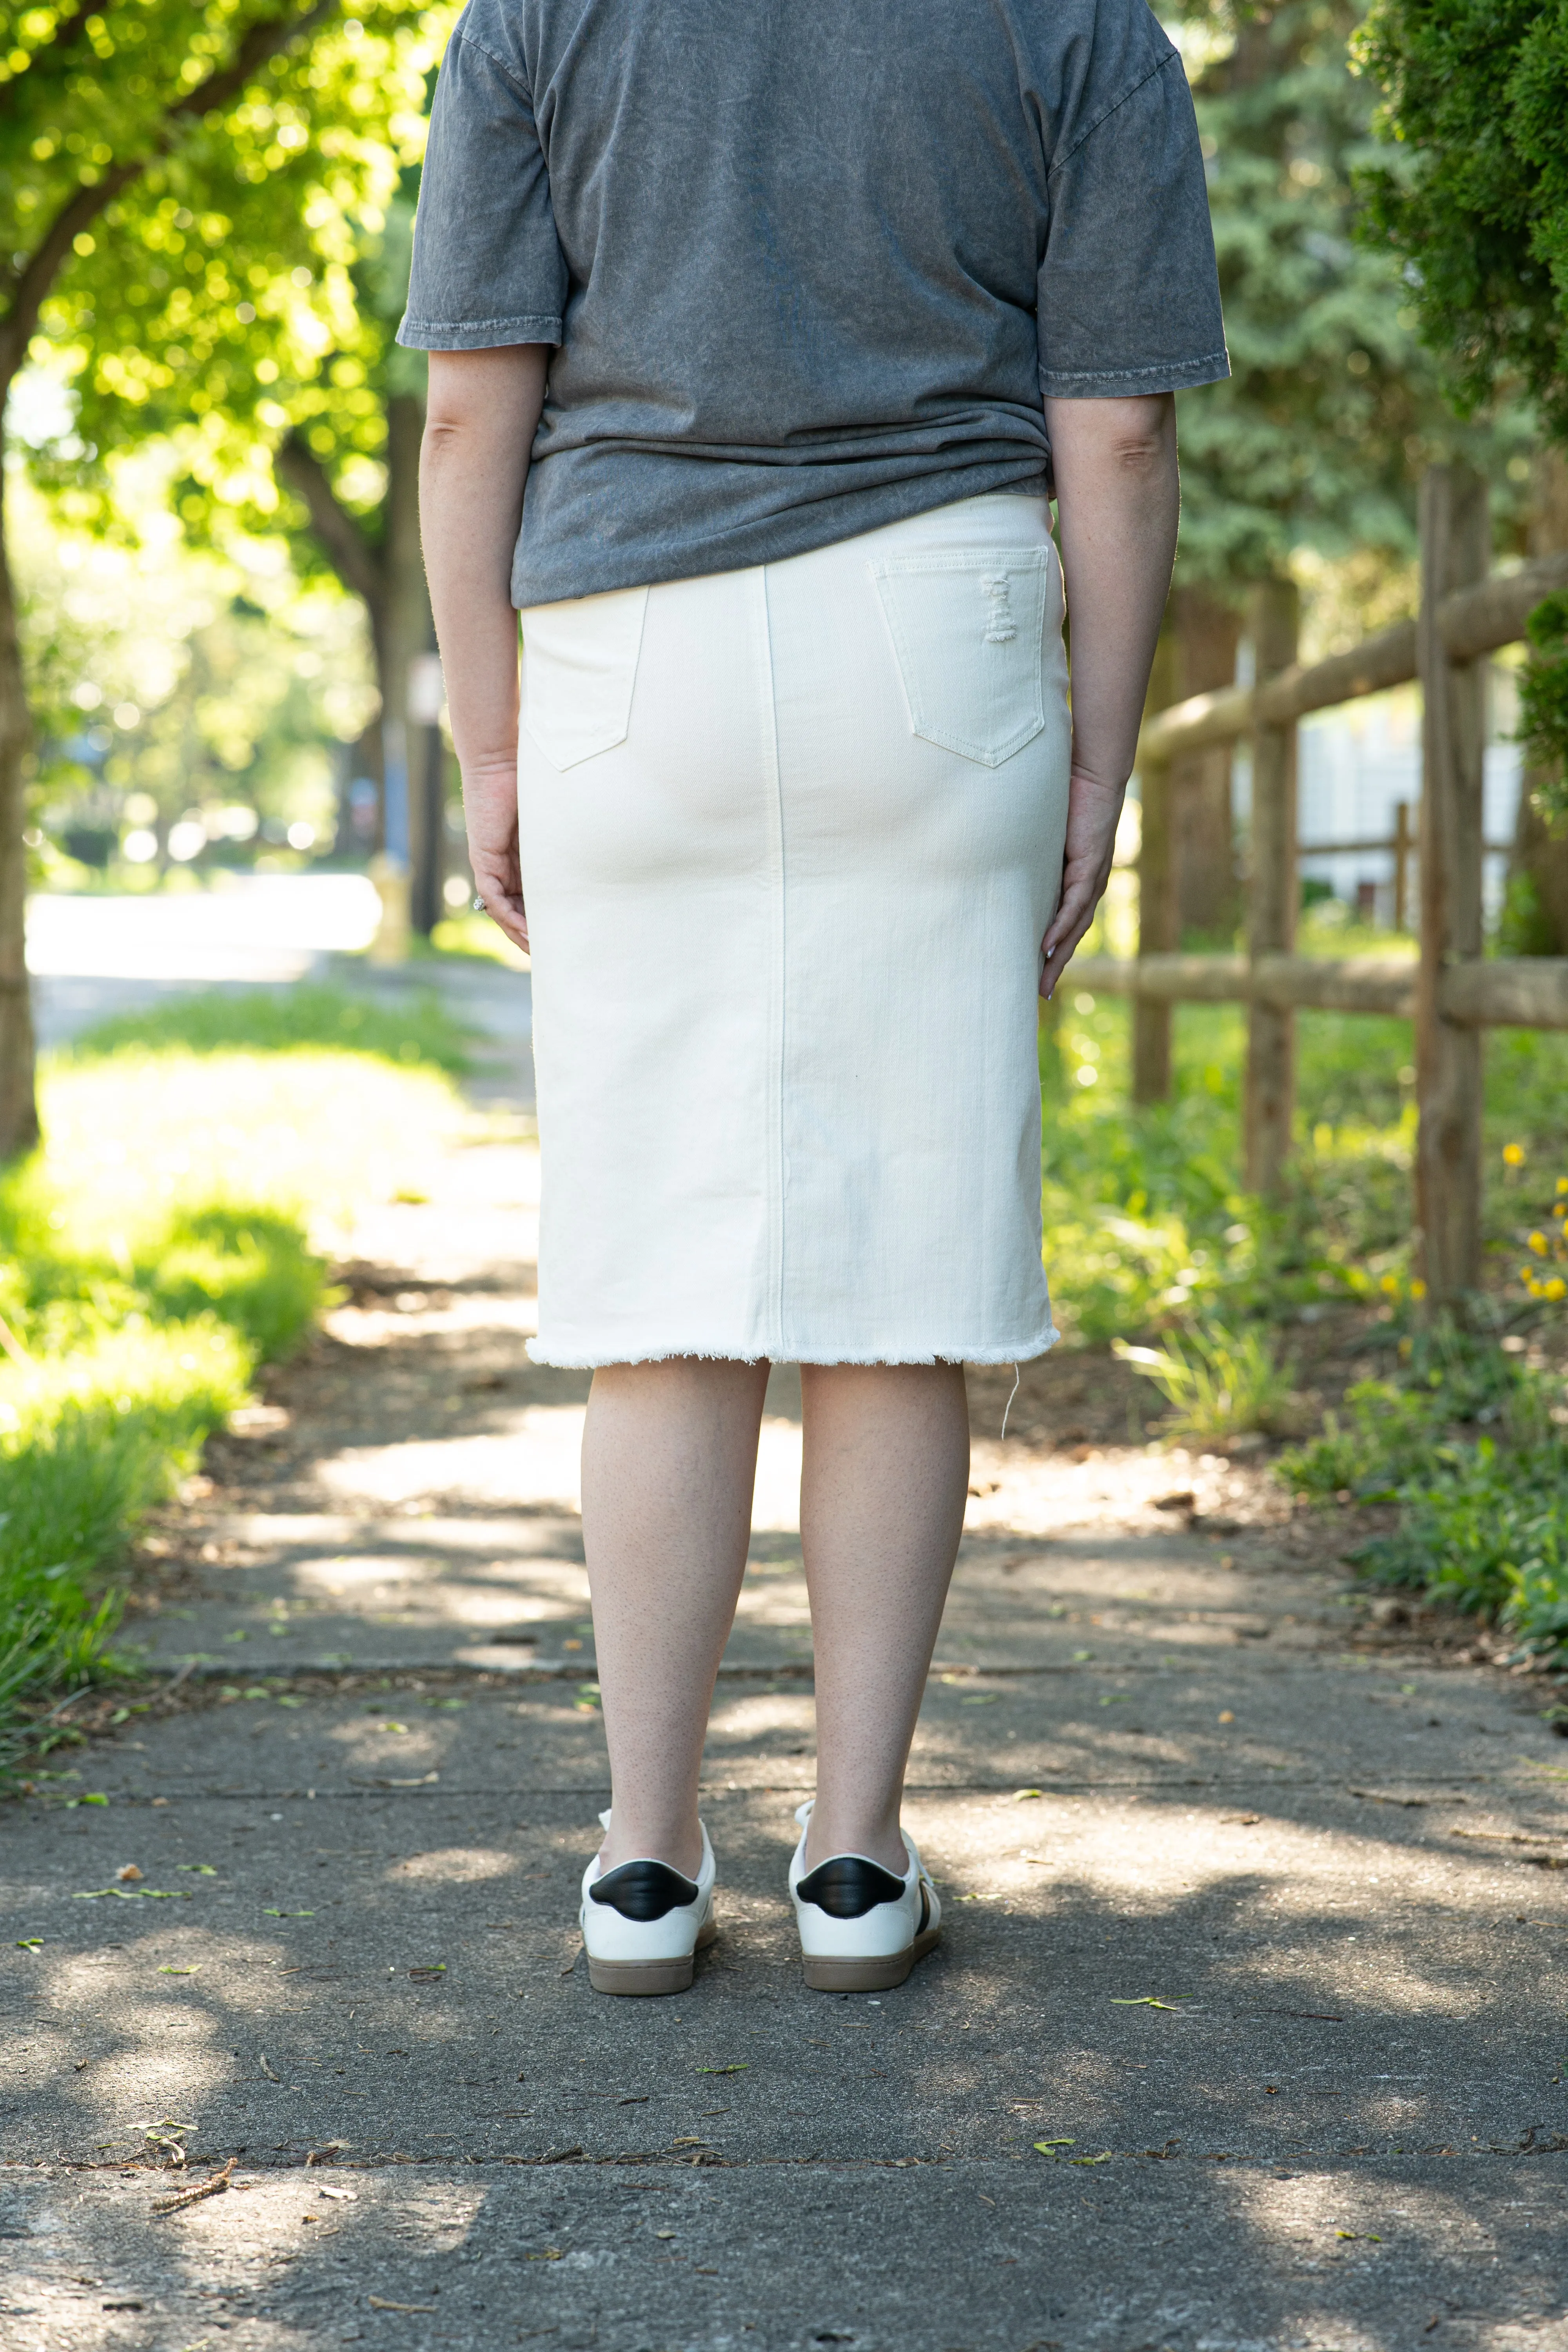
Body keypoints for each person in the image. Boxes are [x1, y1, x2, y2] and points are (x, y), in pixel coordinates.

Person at [401, 0, 1225, 1997]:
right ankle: (852, 1865)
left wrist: (492, 755)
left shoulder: (534, 17)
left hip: (627, 653)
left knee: (664, 1288)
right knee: (901, 1278)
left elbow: (462, 418)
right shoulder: (1078, 26)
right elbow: (1112, 428)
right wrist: (1098, 767)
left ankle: (640, 1864)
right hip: (930, 645)